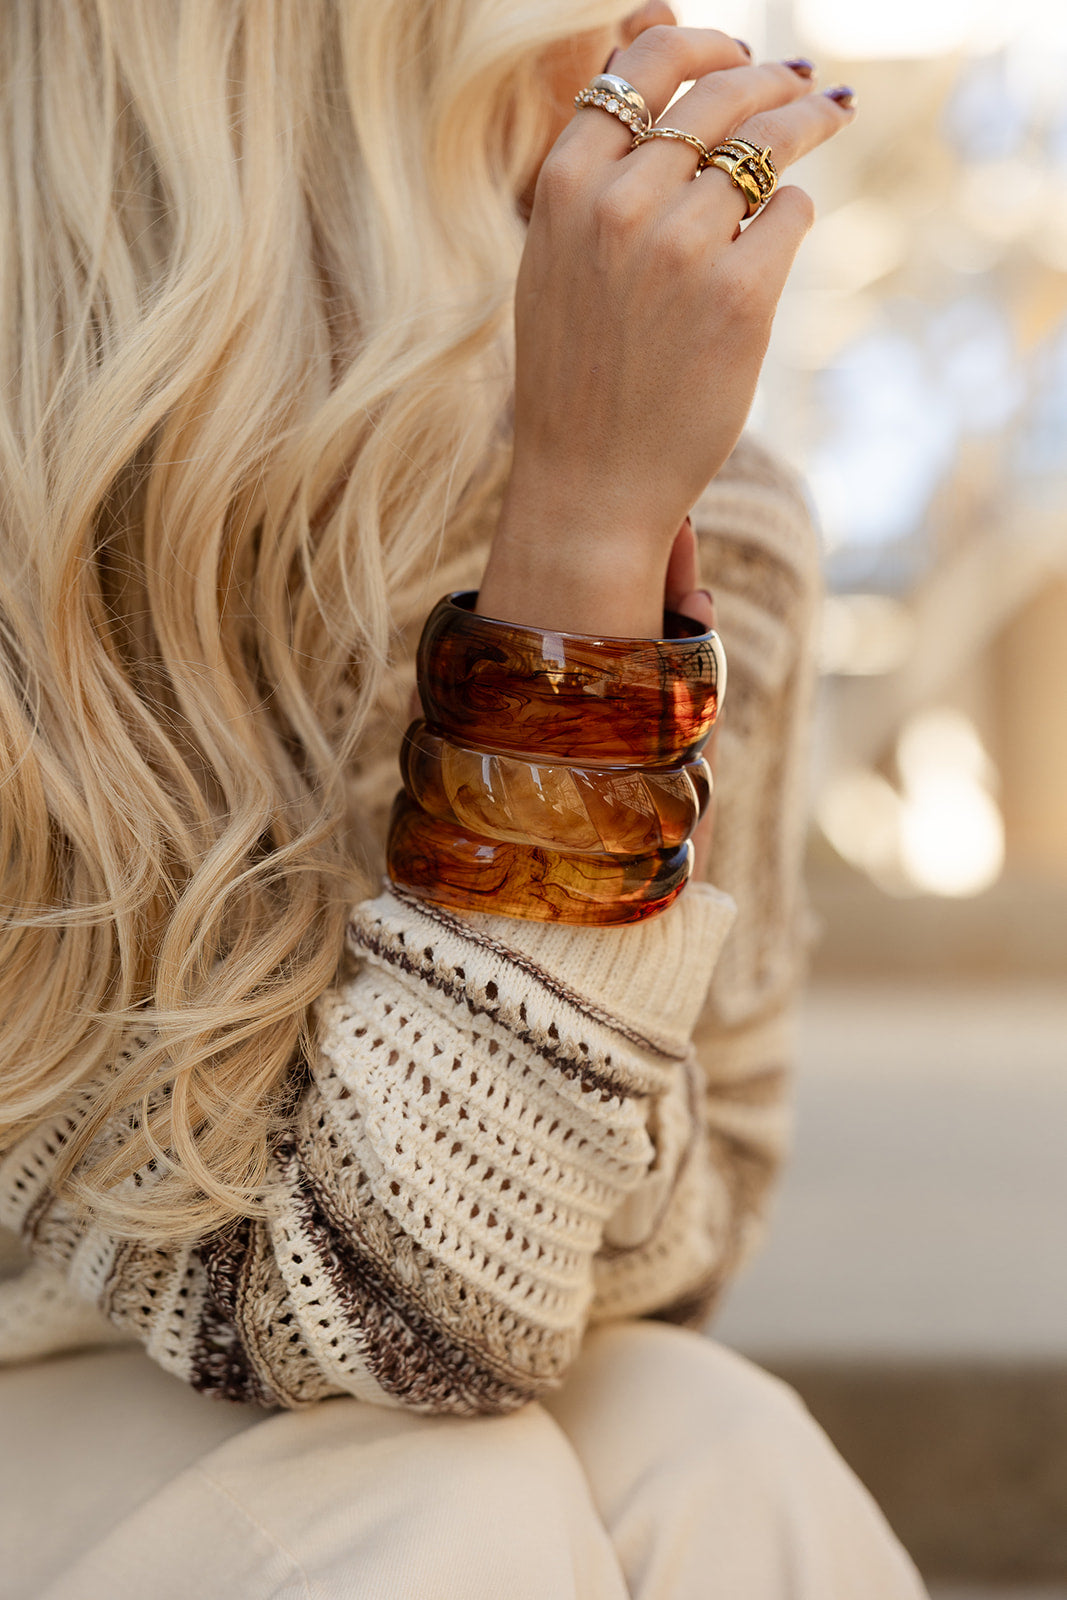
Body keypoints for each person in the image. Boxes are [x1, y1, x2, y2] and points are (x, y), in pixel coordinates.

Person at [0, 2, 928, 1595]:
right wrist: (575, 568)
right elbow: (380, 1310)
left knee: (723, 1449)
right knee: (433, 1508)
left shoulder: (703, 506)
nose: (647, 47)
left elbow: (661, 1248)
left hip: (356, 1387)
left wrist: (597, 561)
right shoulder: (53, 517)